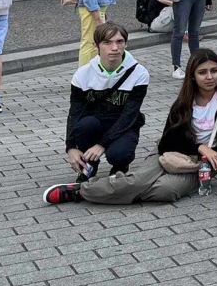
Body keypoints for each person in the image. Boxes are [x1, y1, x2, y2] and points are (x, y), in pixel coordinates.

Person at [46, 47, 217, 205]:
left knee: (166, 191)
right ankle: (79, 192)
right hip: (169, 151)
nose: (209, 77)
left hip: (202, 165)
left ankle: (114, 189)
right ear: (193, 76)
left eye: (214, 71)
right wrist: (200, 146)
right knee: (137, 182)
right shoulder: (184, 102)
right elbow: (168, 140)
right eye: (202, 72)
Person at [53, 24, 149, 190]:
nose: (114, 48)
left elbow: (129, 115)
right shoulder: (83, 74)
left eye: (120, 42)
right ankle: (90, 166)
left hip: (123, 124)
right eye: (107, 42)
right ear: (96, 45)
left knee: (119, 155)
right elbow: (74, 113)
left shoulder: (139, 73)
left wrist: (102, 145)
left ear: (126, 44)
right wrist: (70, 147)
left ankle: (121, 167)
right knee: (84, 125)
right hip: (94, 123)